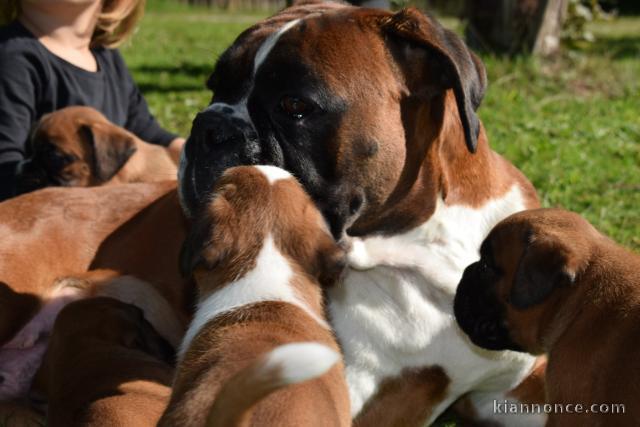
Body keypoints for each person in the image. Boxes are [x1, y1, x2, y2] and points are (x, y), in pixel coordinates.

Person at [0, 0, 186, 201]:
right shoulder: (11, 57)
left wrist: (210, 156)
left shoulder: (107, 57)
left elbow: (149, 132)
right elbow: (5, 164)